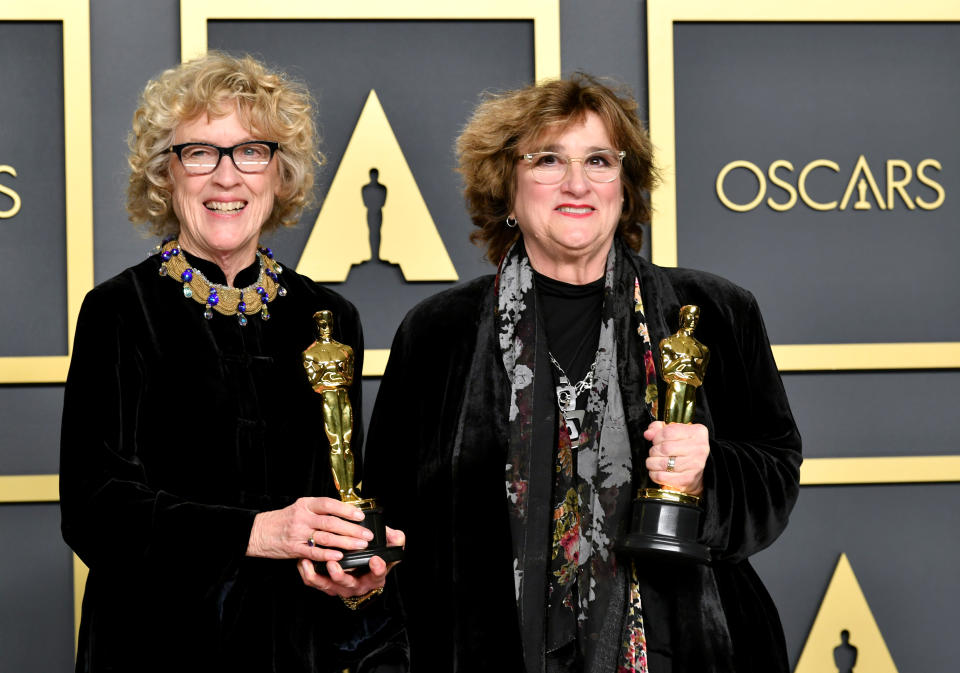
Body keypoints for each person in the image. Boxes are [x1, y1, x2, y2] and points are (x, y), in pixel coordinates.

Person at [364, 74, 801, 672]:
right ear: (507, 189)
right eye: (547, 160)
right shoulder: (437, 332)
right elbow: (391, 517)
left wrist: (710, 472)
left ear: (624, 185)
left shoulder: (716, 312)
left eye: (598, 160)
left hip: (689, 651)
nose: (576, 183)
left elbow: (776, 470)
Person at [59, 52, 403, 673]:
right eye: (199, 153)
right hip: (154, 647)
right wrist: (257, 532)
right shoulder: (119, 310)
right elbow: (95, 509)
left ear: (280, 174)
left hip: (298, 647)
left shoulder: (329, 318)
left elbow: (340, 495)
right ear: (166, 175)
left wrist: (358, 572)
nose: (226, 177)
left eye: (251, 152)